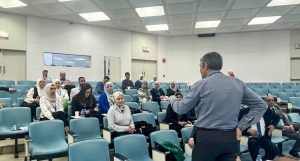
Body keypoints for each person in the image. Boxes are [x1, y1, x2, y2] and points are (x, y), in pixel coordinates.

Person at [169, 52, 267, 161]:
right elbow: (261, 105)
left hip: (206, 139)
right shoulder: (238, 83)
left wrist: (172, 99)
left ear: (205, 66)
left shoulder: (201, 84)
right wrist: (241, 126)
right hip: (230, 138)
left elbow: (181, 108)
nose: (200, 70)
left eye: (200, 67)